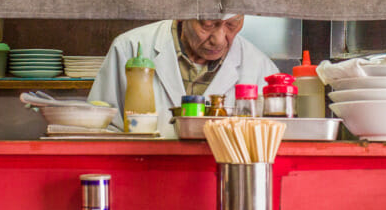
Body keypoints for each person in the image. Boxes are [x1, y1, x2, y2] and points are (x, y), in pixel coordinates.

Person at [88, 16, 279, 138]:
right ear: (182, 13)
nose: (219, 39)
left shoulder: (260, 68)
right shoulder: (129, 48)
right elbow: (96, 131)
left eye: (232, 25)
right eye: (208, 24)